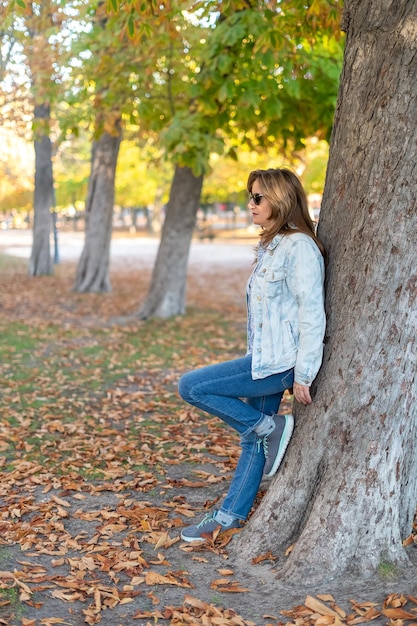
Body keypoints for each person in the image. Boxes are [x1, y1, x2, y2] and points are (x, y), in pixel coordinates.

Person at [178, 167, 326, 542]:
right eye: (251, 196)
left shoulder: (301, 248)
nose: (251, 203)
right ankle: (230, 515)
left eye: (258, 197)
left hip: (279, 366)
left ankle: (270, 427)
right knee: (253, 440)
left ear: (280, 199)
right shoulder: (271, 246)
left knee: (192, 386)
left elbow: (312, 314)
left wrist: (304, 374)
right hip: (263, 358)